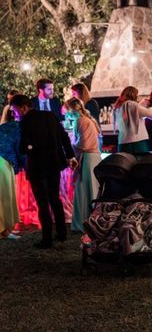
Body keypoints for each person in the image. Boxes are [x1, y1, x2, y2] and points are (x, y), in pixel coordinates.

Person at [10, 94, 78, 248]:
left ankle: (47, 238)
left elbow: (24, 146)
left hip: (37, 166)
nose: (15, 114)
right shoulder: (51, 116)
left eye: (15, 110)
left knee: (42, 202)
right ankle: (61, 233)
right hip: (54, 163)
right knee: (55, 198)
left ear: (23, 107)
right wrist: (70, 155)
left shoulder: (25, 122)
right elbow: (64, 137)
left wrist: (25, 148)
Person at [64, 98, 101, 233]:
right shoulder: (88, 120)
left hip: (88, 158)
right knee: (90, 189)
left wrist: (71, 146)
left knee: (84, 190)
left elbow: (83, 143)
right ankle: (92, 221)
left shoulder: (81, 121)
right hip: (92, 157)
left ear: (71, 110)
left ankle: (84, 222)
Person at [112, 86, 152, 154]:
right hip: (136, 142)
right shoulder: (131, 104)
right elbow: (150, 113)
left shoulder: (118, 106)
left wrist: (139, 104)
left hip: (122, 143)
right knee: (142, 163)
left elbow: (132, 116)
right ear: (133, 95)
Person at [0, 119, 23, 240]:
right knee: (4, 197)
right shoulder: (19, 128)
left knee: (5, 196)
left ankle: (6, 228)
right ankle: (4, 230)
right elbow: (21, 150)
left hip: (4, 161)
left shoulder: (5, 127)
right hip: (3, 161)